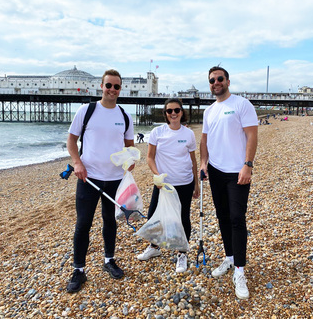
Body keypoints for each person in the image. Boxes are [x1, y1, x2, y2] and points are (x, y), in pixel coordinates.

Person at [66, 69, 134, 293]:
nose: (112, 90)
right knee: (83, 224)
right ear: (101, 87)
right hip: (89, 178)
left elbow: (129, 146)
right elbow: (72, 140)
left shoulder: (124, 115)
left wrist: (130, 161)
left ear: (120, 89)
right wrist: (77, 163)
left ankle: (109, 260)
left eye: (116, 86)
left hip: (115, 179)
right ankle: (79, 270)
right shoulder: (87, 111)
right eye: (109, 86)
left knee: (110, 222)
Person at [200, 66, 258, 299]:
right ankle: (230, 258)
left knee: (236, 218)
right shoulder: (209, 111)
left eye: (220, 79)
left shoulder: (242, 104)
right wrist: (203, 164)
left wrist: (248, 164)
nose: (216, 82)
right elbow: (204, 140)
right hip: (215, 171)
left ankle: (240, 271)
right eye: (212, 80)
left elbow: (252, 134)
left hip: (237, 171)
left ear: (228, 81)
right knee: (223, 216)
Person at [137, 98, 199, 273]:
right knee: (154, 216)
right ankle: (154, 248)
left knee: (183, 217)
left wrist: (196, 184)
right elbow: (149, 157)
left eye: (177, 110)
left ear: (182, 112)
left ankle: (182, 253)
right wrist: (157, 175)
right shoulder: (157, 132)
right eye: (169, 111)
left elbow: (193, 160)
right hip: (163, 184)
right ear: (165, 114)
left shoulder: (188, 134)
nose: (173, 114)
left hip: (185, 182)